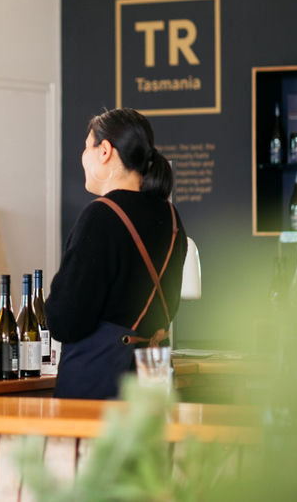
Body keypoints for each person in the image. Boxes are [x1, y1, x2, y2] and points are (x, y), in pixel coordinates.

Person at [46, 108, 187, 399]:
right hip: (155, 378)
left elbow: (66, 320)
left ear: (105, 151)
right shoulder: (171, 218)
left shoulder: (100, 216)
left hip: (103, 383)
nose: (83, 157)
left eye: (87, 147)